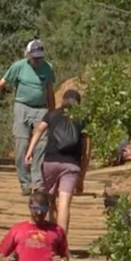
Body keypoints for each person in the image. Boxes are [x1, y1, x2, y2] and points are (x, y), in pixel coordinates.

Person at [0, 40, 56, 195]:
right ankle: (25, 183)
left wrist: (53, 113)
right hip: (22, 107)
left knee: (41, 145)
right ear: (28, 55)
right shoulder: (19, 67)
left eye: (40, 57)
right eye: (34, 57)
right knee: (21, 145)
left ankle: (38, 182)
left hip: (41, 109)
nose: (37, 60)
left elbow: (49, 91)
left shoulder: (48, 68)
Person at [25, 89, 89, 235]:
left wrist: (30, 152)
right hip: (71, 165)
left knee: (51, 201)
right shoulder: (83, 119)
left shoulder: (53, 114)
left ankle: (51, 237)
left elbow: (39, 130)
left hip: (50, 161)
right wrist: (82, 177)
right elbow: (86, 151)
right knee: (64, 205)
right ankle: (61, 242)